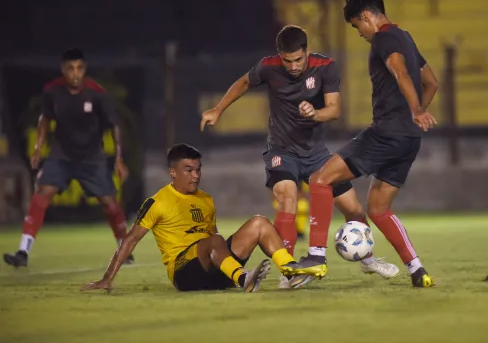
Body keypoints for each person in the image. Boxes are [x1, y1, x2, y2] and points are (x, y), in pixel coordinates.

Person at [201, 25, 399, 288]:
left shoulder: (326, 67)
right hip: (281, 151)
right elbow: (244, 82)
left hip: (317, 155)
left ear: (307, 52)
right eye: (287, 60)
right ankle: (289, 271)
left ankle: (368, 260)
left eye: (298, 59)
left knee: (354, 209)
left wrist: (314, 114)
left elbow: (335, 110)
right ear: (279, 56)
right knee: (287, 197)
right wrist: (218, 109)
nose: (293, 66)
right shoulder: (268, 67)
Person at [296, 0, 439, 287]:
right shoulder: (406, 36)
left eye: (356, 26)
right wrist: (417, 114)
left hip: (386, 133)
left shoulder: (384, 38)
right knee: (378, 210)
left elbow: (399, 73)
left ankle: (316, 256)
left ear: (366, 17)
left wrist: (413, 109)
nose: (359, 33)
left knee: (320, 180)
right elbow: (432, 82)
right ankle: (417, 270)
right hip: (410, 139)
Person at [81, 144, 320, 293]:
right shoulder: (158, 201)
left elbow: (213, 240)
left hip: (216, 267)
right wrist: (107, 278)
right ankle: (243, 278)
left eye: (198, 169)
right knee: (213, 240)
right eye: (188, 170)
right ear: (172, 172)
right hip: (185, 274)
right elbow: (130, 240)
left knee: (259, 222)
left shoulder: (206, 199)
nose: (196, 175)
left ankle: (290, 272)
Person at [3, 48, 131, 268]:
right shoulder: (52, 91)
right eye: (70, 68)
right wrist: (37, 148)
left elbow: (114, 126)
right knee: (42, 194)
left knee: (110, 204)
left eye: (79, 68)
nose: (75, 73)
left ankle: (125, 249)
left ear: (84, 69)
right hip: (61, 156)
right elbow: (44, 119)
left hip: (92, 158)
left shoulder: (97, 93)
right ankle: (23, 251)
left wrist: (119, 158)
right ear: (63, 69)